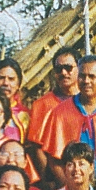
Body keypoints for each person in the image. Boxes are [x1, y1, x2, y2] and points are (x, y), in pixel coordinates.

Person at [27, 47, 82, 181]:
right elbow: (38, 148)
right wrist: (51, 181)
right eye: (58, 69)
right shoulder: (42, 104)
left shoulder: (88, 102)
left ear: (79, 68)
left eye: (68, 68)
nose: (63, 73)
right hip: (54, 176)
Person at [0, 58, 30, 141]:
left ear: (18, 85)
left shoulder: (26, 116)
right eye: (1, 78)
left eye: (11, 79)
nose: (6, 83)